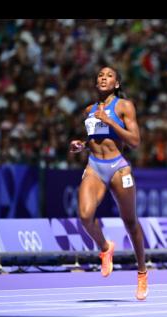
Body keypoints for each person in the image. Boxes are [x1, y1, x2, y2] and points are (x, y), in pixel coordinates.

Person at [69, 66, 148, 301]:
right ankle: (105, 248)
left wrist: (110, 122)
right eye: (100, 75)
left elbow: (134, 141)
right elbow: (96, 138)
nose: (103, 77)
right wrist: (81, 145)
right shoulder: (88, 110)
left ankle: (142, 272)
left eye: (109, 75)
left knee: (130, 222)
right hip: (94, 166)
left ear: (116, 84)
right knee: (84, 216)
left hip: (118, 167)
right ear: (96, 83)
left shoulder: (124, 106)